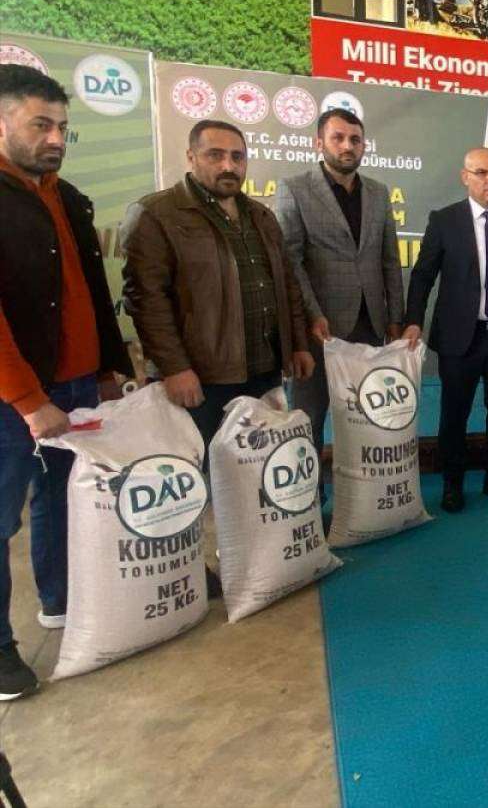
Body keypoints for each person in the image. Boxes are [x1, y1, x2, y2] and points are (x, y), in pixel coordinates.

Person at [122, 121, 314, 591]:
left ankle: (250, 556)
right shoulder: (157, 214)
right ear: (191, 157)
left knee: (253, 472)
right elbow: (146, 299)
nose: (228, 165)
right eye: (216, 155)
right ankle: (191, 572)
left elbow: (287, 285)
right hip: (201, 376)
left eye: (237, 156)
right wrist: (174, 367)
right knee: (193, 479)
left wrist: (297, 344)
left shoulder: (260, 215)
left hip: (261, 369)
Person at [0, 66, 132, 700]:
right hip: (13, 397)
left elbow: (92, 294)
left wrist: (105, 368)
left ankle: (62, 599)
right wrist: (28, 400)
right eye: (40, 125)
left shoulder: (67, 197)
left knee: (61, 498)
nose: (55, 138)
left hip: (77, 384)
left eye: (61, 127)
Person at [402, 147, 488, 512]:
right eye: (482, 173)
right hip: (460, 337)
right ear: (465, 177)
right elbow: (423, 275)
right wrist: (413, 320)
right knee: (454, 414)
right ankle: (452, 484)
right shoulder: (444, 221)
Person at [275, 108, 405, 479]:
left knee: (368, 414)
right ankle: (310, 495)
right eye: (338, 138)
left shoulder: (378, 192)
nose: (347, 146)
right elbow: (290, 262)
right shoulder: (295, 188)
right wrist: (313, 314)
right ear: (319, 143)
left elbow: (389, 259)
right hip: (319, 329)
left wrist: (394, 318)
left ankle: (366, 493)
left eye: (355, 139)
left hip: (370, 326)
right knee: (310, 417)